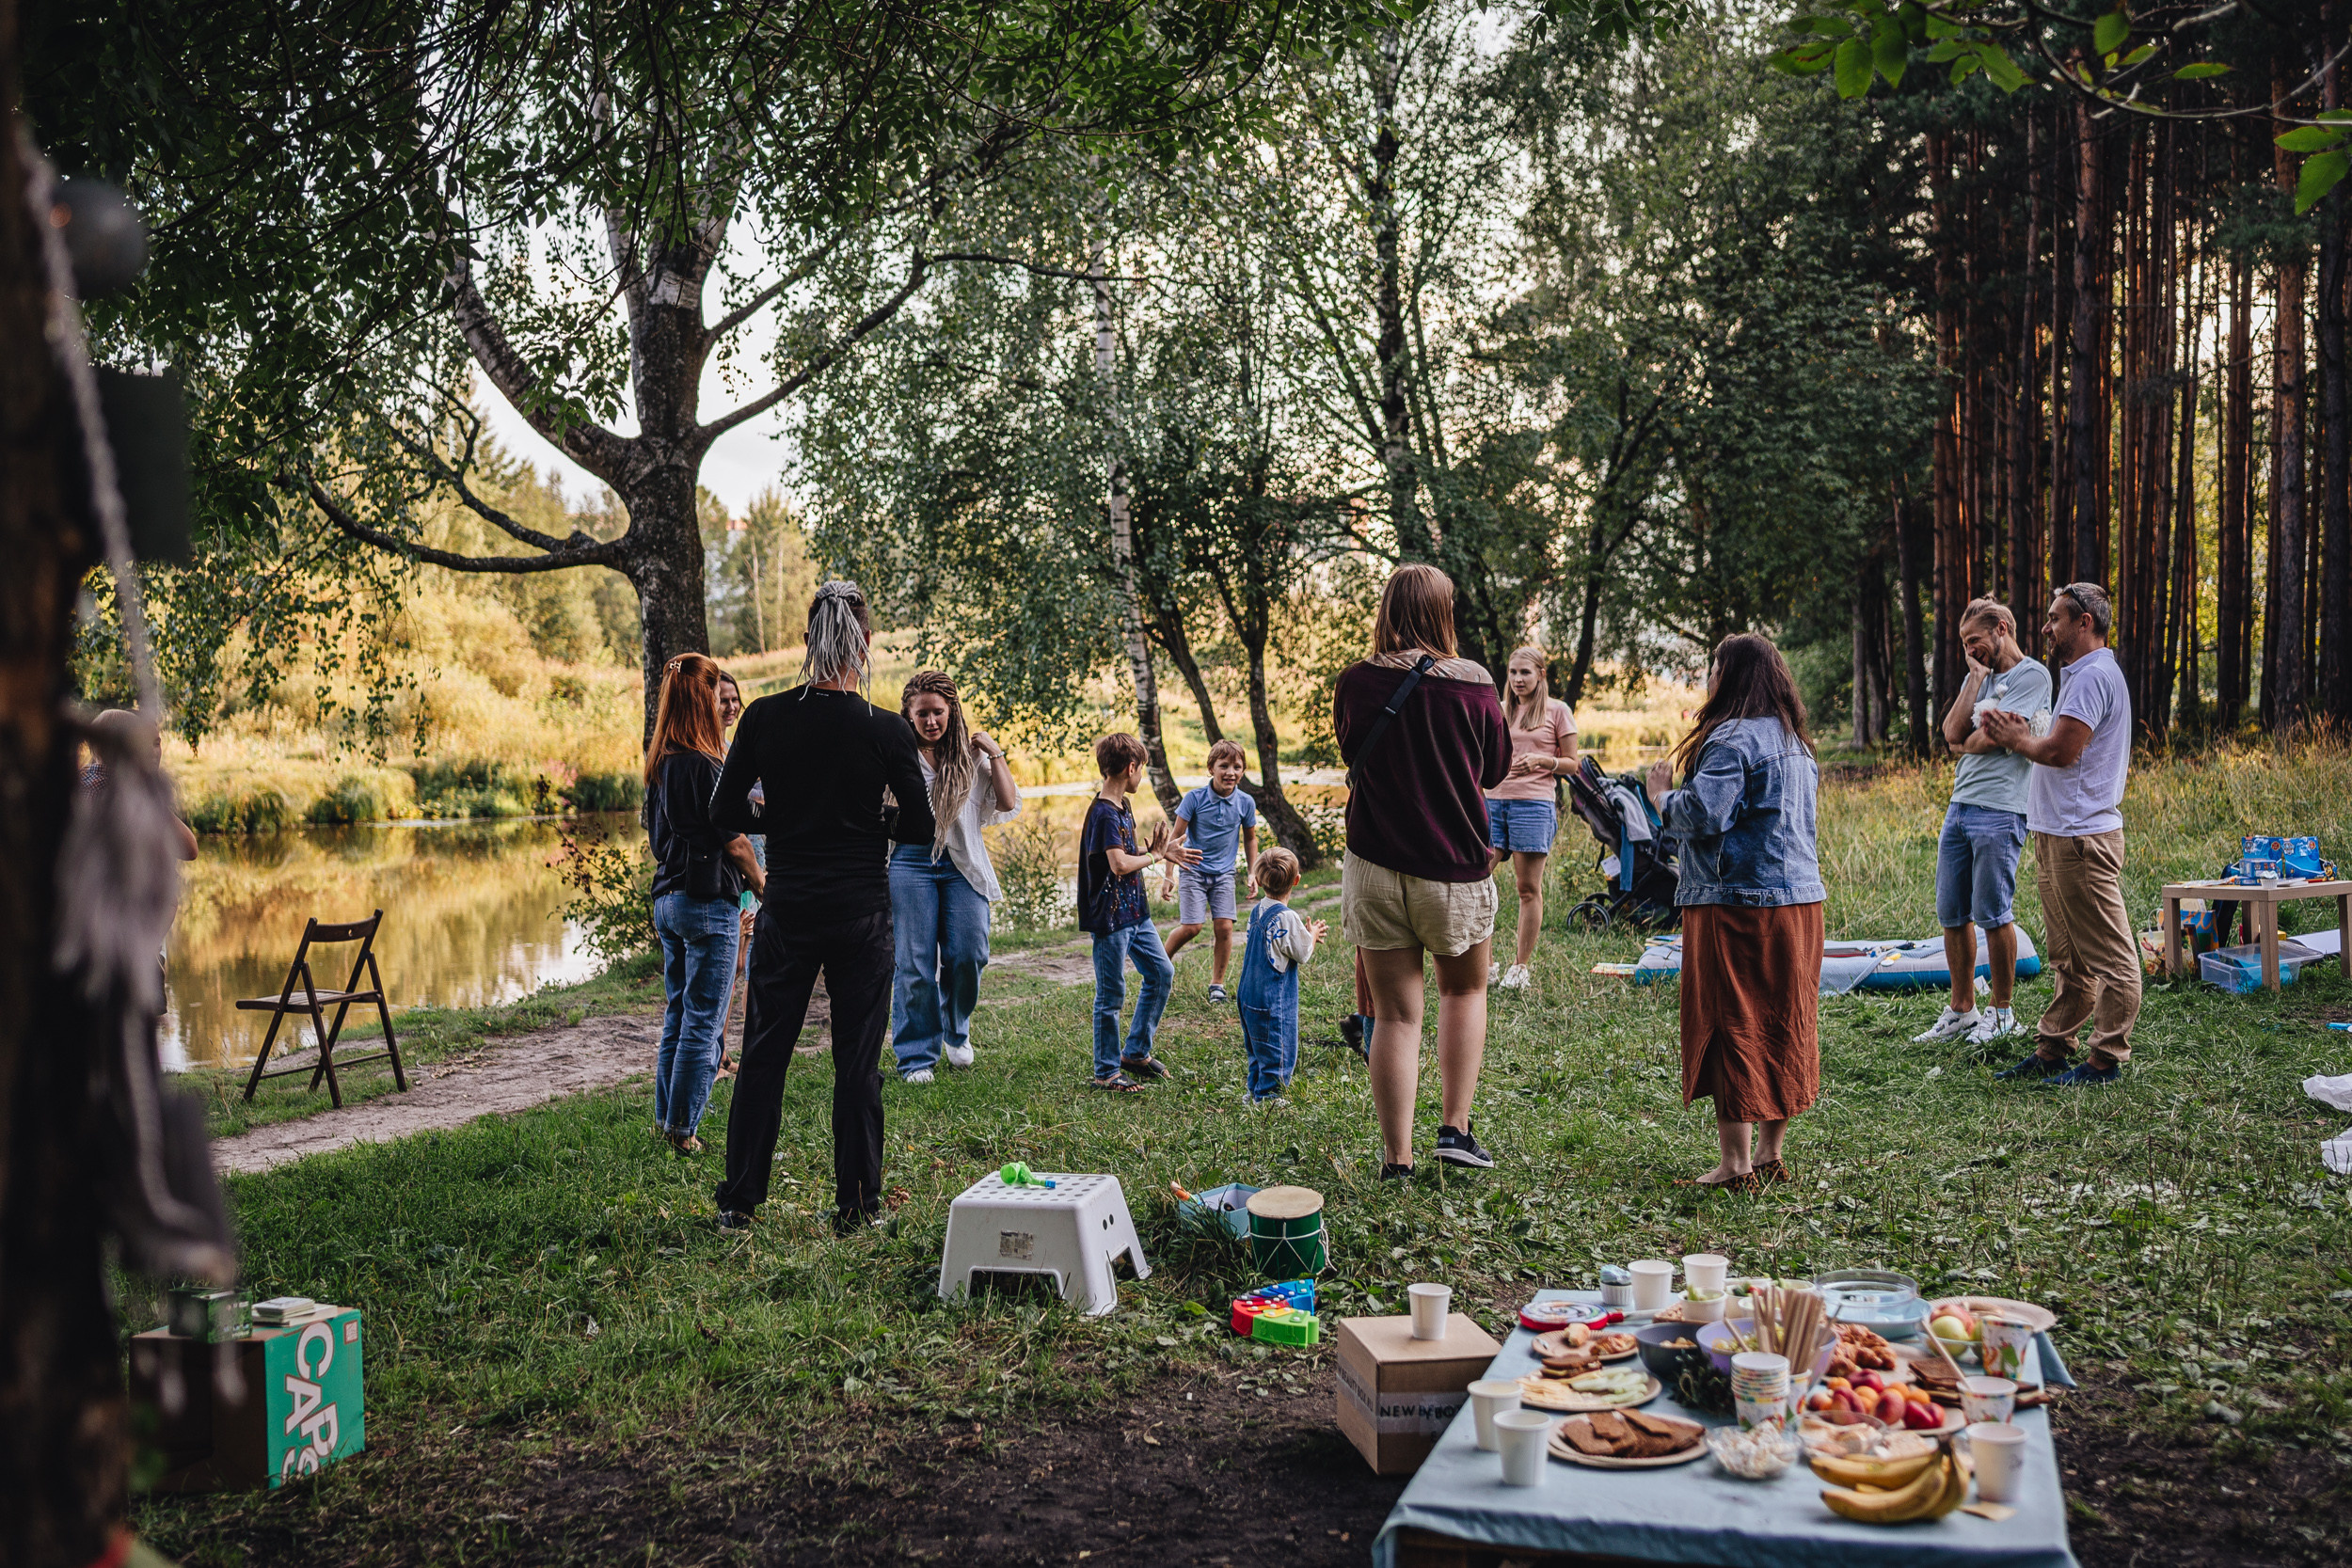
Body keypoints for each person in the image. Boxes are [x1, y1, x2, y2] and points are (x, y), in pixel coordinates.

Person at [709, 582, 936, 1234]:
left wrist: (780, 813)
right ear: (864, 644)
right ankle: (857, 1206)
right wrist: (867, 820)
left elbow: (724, 813)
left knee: (764, 1055)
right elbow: (918, 827)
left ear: (809, 642)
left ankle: (739, 1203)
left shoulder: (764, 718)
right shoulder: (884, 729)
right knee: (856, 1062)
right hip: (862, 913)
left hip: (789, 907)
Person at [1334, 564, 1511, 1178]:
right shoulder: (1476, 683)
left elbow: (1350, 750)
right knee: (1463, 990)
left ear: (1386, 609)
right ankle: (1455, 1130)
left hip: (1375, 865)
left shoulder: (1354, 682)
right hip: (1454, 868)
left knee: (1395, 1014)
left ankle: (1397, 1159)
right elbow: (1494, 770)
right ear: (1445, 611)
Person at [1645, 633, 1824, 1193]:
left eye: (1714, 668)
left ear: (1731, 675)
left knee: (1732, 1022)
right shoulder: (1795, 741)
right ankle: (1770, 1155)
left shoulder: (1730, 740)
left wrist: (1659, 797)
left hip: (1736, 905)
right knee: (1785, 1020)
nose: (1709, 678)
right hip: (1801, 902)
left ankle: (1735, 1164)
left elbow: (1703, 815)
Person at [1980, 582, 2139, 1088]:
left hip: (2081, 839)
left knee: (2112, 958)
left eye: (2055, 619)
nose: (2046, 628)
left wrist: (2016, 737)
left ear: (2085, 622)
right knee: (2068, 958)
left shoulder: (2094, 677)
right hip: (2056, 833)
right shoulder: (2078, 676)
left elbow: (2060, 752)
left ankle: (2105, 1059)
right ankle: (2053, 1048)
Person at [1915, 599, 2051, 1048]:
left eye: (1976, 641)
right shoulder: (1983, 678)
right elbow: (1953, 734)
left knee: (1994, 913)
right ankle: (1962, 1010)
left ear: (2002, 627)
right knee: (1953, 912)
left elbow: (1998, 733)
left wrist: (1976, 739)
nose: (1971, 649)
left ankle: (2003, 1013)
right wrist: (1974, 681)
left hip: (2002, 808)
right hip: (1960, 804)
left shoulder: (2032, 675)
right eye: (1965, 644)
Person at [644, 653, 765, 1155]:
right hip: (706, 902)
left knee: (678, 1014)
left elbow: (657, 837)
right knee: (704, 1021)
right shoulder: (704, 764)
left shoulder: (660, 763)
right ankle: (683, 1132)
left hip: (667, 900)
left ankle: (665, 1119)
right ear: (702, 698)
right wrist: (761, 885)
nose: (723, 700)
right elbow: (734, 840)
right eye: (715, 690)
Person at [890, 671, 1021, 1083]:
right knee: (915, 962)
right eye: (922, 713)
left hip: (961, 864)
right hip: (910, 862)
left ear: (952, 712)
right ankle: (915, 1057)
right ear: (909, 715)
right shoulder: (895, 754)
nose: (931, 721)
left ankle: (955, 1028)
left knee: (969, 953)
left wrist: (994, 752)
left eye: (938, 712)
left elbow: (1006, 801)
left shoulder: (968, 757)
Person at [1079, 732, 1198, 1092]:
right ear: (1131, 768)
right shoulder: (1102, 813)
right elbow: (1117, 864)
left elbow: (1127, 854)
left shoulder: (1122, 807)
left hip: (1135, 912)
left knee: (1161, 972)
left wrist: (1162, 850)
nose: (1140, 775)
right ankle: (1106, 1072)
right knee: (1111, 994)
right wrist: (1156, 857)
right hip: (1110, 919)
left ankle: (1135, 1053)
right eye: (1141, 769)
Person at [1484, 646, 1578, 990]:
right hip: (1493, 802)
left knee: (1527, 889)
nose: (1518, 679)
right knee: (1477, 878)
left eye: (1525, 672)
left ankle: (1520, 968)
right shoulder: (1499, 711)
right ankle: (1487, 963)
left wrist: (1542, 760)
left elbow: (1573, 763)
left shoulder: (1558, 711)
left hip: (1533, 805)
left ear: (1541, 674)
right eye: (1512, 673)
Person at [1163, 739, 1260, 1002]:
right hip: (1193, 869)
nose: (1231, 772)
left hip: (1224, 874)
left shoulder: (1246, 802)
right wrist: (1168, 874)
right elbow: (1175, 838)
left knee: (1225, 927)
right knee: (1192, 927)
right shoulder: (1194, 799)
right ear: (1211, 769)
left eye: (1237, 767)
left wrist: (1253, 872)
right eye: (1224, 766)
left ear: (1243, 771)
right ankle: (1158, 967)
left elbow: (1250, 838)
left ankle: (1217, 985)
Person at [1235, 847, 1326, 1104]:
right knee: (1277, 1047)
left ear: (1260, 881)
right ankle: (1268, 1097)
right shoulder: (1287, 917)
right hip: (1271, 999)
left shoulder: (1257, 911)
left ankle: (1253, 1089)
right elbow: (1303, 952)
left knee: (1255, 1047)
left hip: (1247, 993)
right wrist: (1313, 934)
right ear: (1296, 880)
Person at [713, 668, 751, 1082]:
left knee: (744, 964)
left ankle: (726, 1054)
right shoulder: (707, 757)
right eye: (722, 699)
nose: (731, 706)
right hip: (732, 872)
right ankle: (717, 1055)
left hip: (753, 867)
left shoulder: (735, 750)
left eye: (734, 698)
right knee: (730, 964)